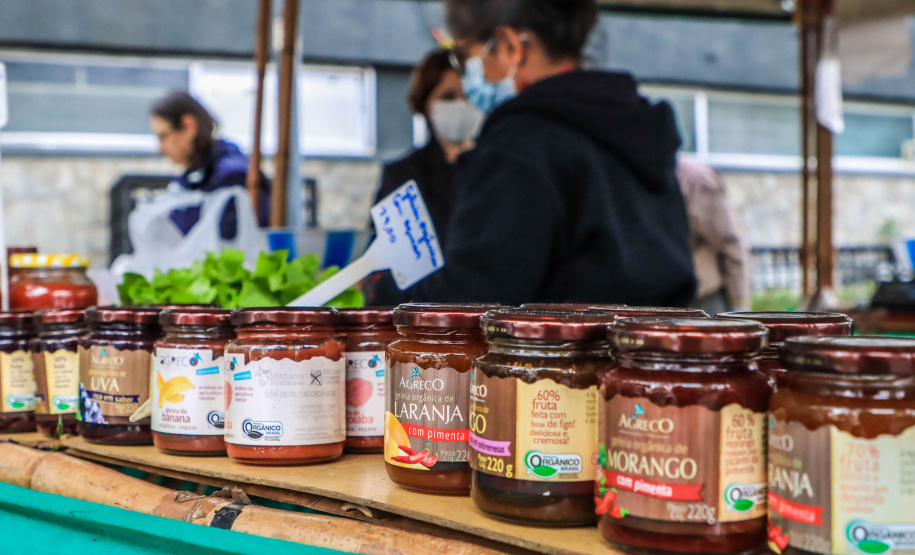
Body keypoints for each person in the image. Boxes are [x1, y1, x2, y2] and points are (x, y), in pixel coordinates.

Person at [387, 0, 696, 306]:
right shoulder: (633, 130)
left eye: (467, 58)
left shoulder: (520, 145)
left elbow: (469, 301)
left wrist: (388, 295)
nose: (468, 85)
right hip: (650, 351)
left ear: (510, 46)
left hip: (560, 354)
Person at [371, 49, 483, 305]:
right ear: (425, 104)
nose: (461, 104)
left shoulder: (498, 171)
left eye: (469, 95)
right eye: (448, 97)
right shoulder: (401, 176)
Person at [150, 92, 270, 239]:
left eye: (163, 136)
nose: (160, 149)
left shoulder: (232, 177)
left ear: (188, 126)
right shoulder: (193, 176)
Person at [677, 158, 752, 314]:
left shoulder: (695, 178)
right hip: (664, 298)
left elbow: (730, 242)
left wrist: (739, 303)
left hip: (702, 298)